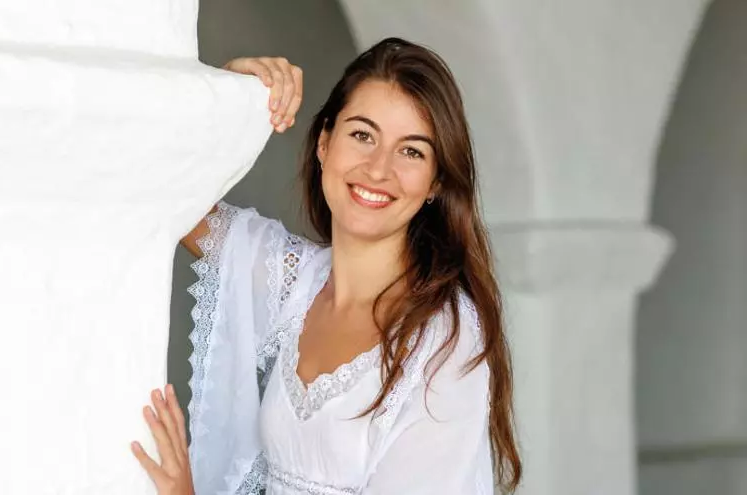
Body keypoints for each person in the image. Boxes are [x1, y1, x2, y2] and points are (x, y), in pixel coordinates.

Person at [131, 37, 522, 494]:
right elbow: (164, 185)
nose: (378, 169)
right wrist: (229, 93)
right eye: (362, 135)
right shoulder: (296, 282)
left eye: (411, 151)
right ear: (324, 144)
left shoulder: (444, 340)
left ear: (435, 181)